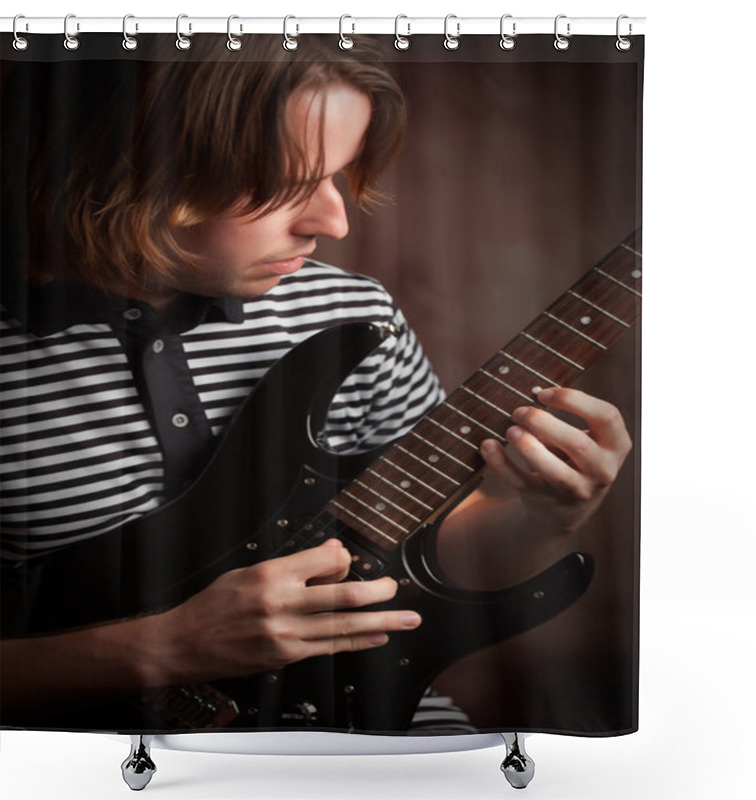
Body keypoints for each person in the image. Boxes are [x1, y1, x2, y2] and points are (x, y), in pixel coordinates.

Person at [0, 36, 631, 731]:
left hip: (367, 725)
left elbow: (406, 560)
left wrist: (540, 514)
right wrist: (165, 648)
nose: (333, 221)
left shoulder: (350, 312)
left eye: (338, 175)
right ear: (116, 166)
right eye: (284, 183)